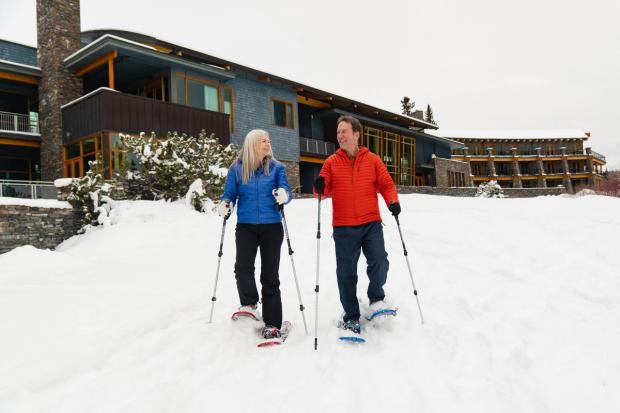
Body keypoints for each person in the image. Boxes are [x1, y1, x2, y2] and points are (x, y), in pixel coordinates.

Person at [314, 115, 401, 334]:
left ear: (356, 134)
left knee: (380, 261)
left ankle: (376, 298)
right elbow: (321, 192)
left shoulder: (372, 160)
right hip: (344, 227)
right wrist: (319, 186)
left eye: (344, 131)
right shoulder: (331, 162)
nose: (340, 136)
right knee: (346, 273)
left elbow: (386, 184)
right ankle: (351, 315)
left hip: (371, 223)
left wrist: (393, 201)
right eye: (338, 132)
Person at [217, 129, 292, 339]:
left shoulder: (277, 168)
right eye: (263, 141)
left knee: (269, 276)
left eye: (268, 141)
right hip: (246, 227)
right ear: (252, 144)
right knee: (242, 268)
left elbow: (287, 192)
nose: (267, 144)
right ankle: (249, 304)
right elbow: (229, 194)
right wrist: (225, 204)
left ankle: (273, 323)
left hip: (271, 227)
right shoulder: (237, 168)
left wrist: (284, 195)